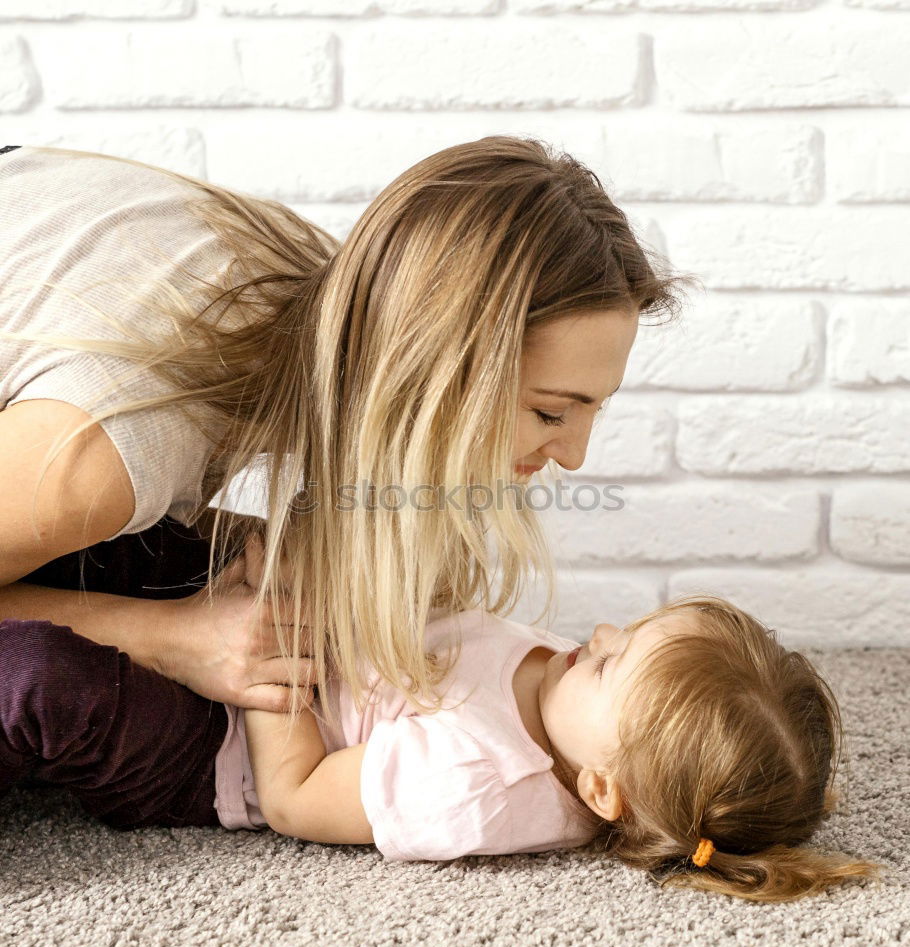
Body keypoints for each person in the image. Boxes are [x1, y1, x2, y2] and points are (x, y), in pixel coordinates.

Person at [0, 138, 696, 734]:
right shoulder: (103, 456)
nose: (573, 458)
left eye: (590, 411)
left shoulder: (326, 287)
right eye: (549, 412)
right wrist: (173, 639)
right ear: (428, 369)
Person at [0, 534, 882, 904]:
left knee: (46, 679)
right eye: (630, 630)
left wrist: (270, 649)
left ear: (604, 786)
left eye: (613, 660)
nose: (600, 633)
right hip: (292, 650)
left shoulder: (476, 788)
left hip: (218, 747)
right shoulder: (560, 693)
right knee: (140, 541)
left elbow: (300, 797)